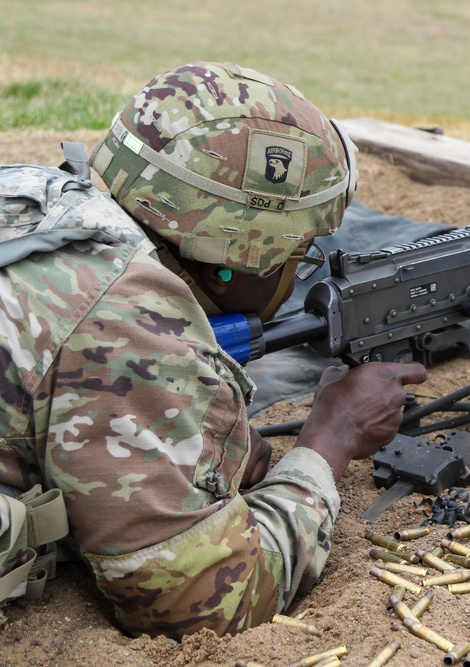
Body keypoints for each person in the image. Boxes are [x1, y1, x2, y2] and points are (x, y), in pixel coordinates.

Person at [0, 62, 427, 638]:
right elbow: (200, 606)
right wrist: (330, 439)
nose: (299, 268)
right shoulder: (130, 326)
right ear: (235, 260)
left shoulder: (35, 201)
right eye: (299, 253)